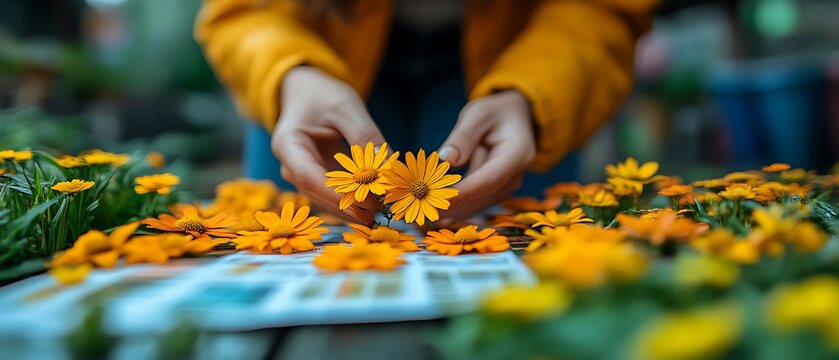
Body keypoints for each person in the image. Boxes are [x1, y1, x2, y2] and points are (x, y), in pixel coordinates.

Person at [195, 0, 659, 224]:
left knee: (513, 244)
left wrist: (532, 92)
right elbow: (239, 11)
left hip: (517, 56)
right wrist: (290, 74)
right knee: (291, 244)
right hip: (322, 60)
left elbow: (606, 9)